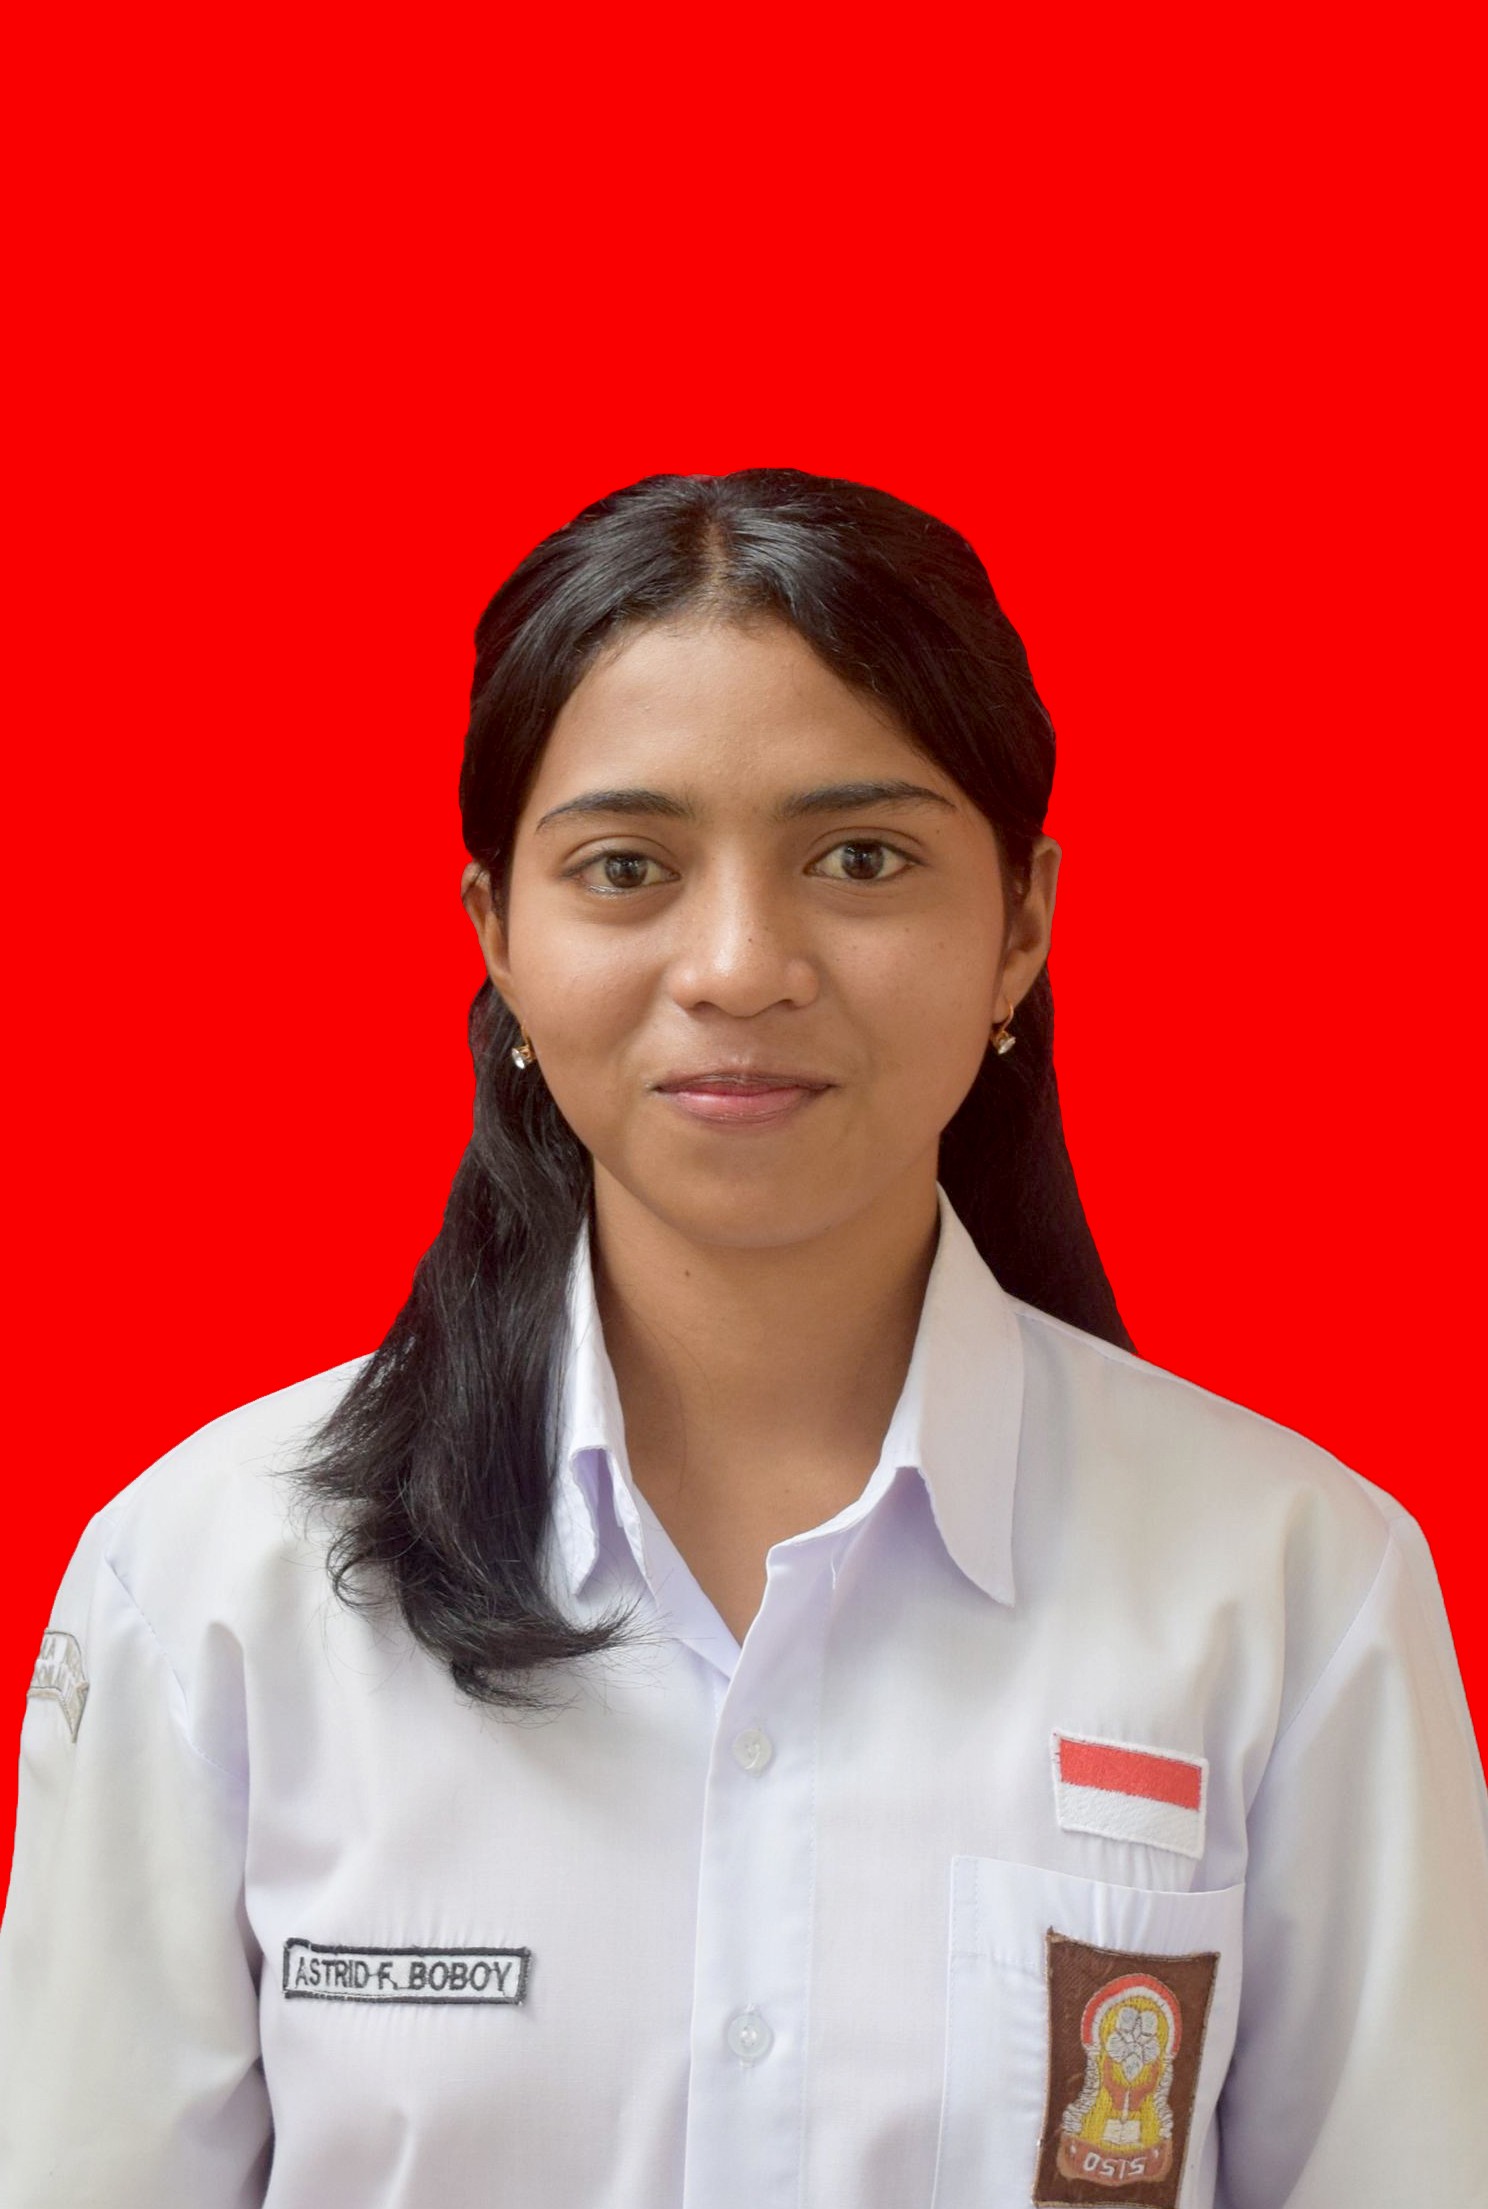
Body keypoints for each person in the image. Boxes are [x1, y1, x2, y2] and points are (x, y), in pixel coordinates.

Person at [1, 468, 1485, 2209]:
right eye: (626, 868)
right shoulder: (213, 1587)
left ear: (1021, 925)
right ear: (497, 934)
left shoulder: (1295, 1590)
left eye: (861, 858)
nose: (738, 963)